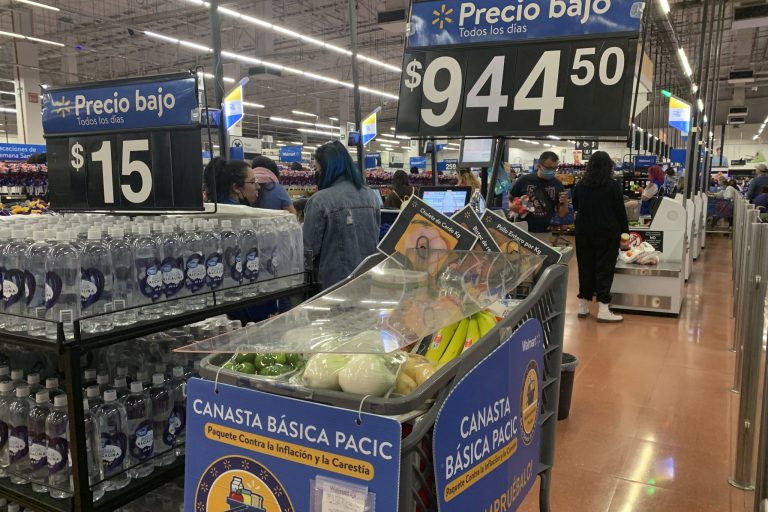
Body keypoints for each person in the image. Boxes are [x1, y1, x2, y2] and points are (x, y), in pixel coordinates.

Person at [303, 141, 381, 290]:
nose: (317, 174)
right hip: (366, 280)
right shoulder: (371, 196)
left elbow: (309, 250)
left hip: (333, 285)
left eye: (318, 169)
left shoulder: (320, 201)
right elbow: (375, 235)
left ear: (328, 169)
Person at [572, 151, 629, 323]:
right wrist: (625, 234)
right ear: (608, 166)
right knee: (604, 270)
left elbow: (576, 206)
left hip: (584, 232)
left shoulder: (580, 185)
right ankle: (603, 310)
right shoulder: (612, 185)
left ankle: (583, 307)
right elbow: (620, 212)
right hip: (607, 234)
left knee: (585, 268)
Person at [509, 151, 568, 234]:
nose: (552, 171)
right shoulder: (524, 180)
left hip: (545, 231)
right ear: (539, 165)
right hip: (522, 230)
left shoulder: (557, 184)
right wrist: (512, 207)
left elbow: (562, 214)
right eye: (548, 168)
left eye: (554, 168)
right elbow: (509, 198)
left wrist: (565, 203)